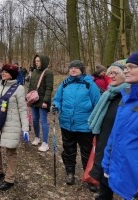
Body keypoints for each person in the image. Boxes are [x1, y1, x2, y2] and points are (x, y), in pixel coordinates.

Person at [51, 60, 100, 188]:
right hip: (67, 124)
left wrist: (96, 123)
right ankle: (70, 173)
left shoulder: (89, 84)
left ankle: (89, 177)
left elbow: (97, 103)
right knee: (69, 150)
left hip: (85, 125)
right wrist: (55, 106)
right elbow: (57, 99)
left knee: (87, 152)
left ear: (81, 70)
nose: (73, 70)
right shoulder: (65, 84)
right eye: (71, 68)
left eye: (76, 68)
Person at [102, 48, 138, 200]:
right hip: (123, 173)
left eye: (131, 67)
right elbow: (114, 136)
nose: (126, 70)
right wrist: (106, 164)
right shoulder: (126, 99)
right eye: (126, 67)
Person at [88, 59, 129, 199]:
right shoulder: (108, 94)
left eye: (115, 73)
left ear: (124, 75)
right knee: (103, 176)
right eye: (110, 72)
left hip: (118, 145)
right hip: (103, 140)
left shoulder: (127, 96)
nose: (111, 75)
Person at [28, 54, 54, 152]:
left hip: (43, 101)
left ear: (43, 61)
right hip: (34, 100)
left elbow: (49, 88)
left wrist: (46, 101)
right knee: (35, 120)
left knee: (43, 121)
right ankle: (37, 137)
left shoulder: (48, 73)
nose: (37, 62)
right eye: (36, 60)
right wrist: (28, 98)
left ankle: (45, 143)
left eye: (39, 61)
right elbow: (31, 86)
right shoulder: (34, 71)